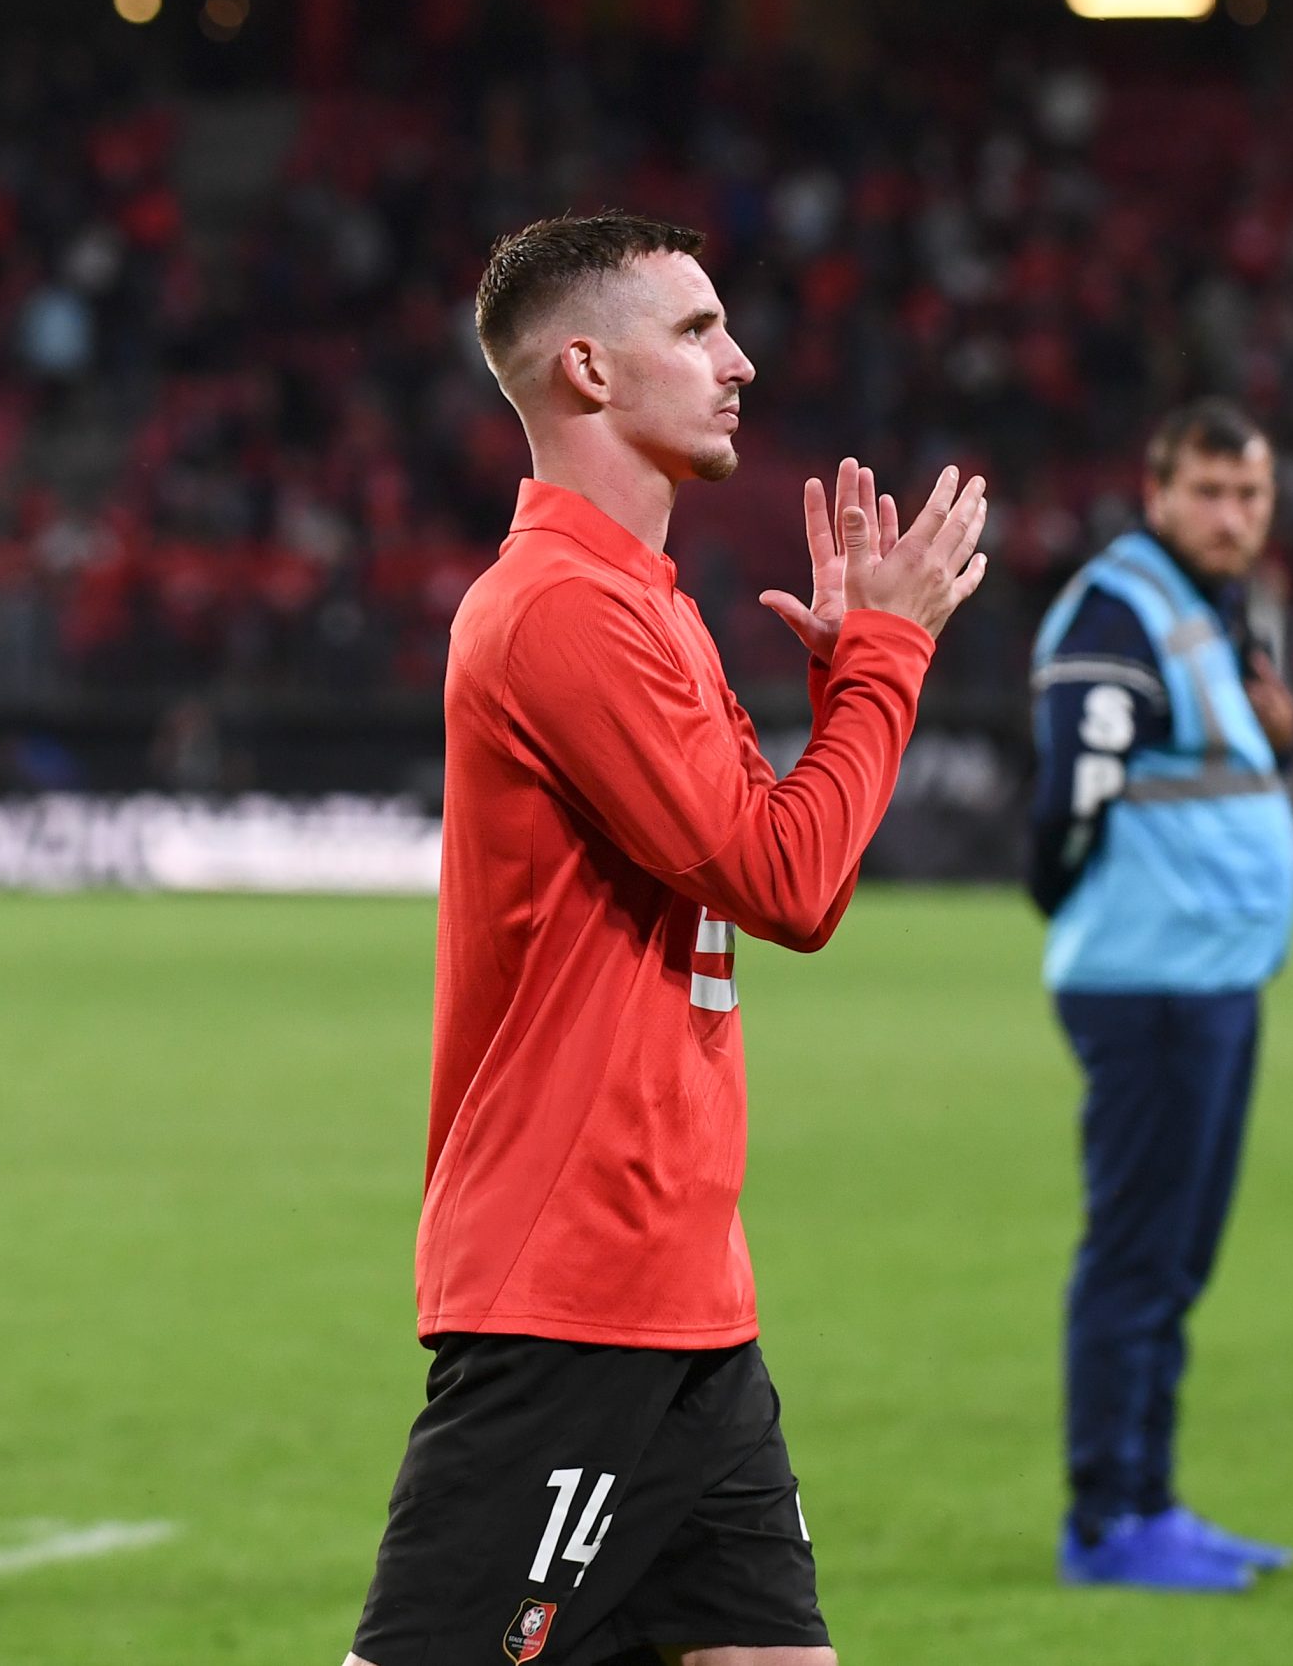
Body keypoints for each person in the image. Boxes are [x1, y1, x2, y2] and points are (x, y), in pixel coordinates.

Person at [345, 213, 989, 1666]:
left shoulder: (648, 608)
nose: (740, 360)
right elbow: (788, 879)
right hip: (569, 1290)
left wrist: (852, 689)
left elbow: (770, 851)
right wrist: (887, 664)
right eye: (696, 330)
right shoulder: (562, 614)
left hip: (683, 1293)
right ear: (585, 365)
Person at [1025, 400, 1293, 1593]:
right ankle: (1106, 1520)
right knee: (1138, 1258)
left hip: (1208, 977)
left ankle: (1152, 1500)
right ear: (1157, 492)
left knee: (1173, 1261)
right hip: (1150, 984)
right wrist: (1058, 892)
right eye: (1209, 492)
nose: (1232, 517)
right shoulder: (1116, 609)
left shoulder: (1207, 610)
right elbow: (1070, 791)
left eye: (1250, 496)